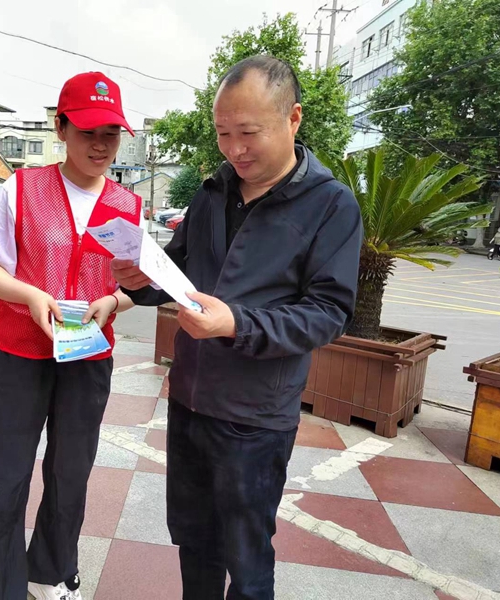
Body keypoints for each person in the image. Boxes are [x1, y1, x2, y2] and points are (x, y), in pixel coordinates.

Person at [113, 55, 363, 600]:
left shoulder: (330, 205)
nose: (235, 149)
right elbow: (176, 276)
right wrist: (137, 279)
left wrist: (238, 324)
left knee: (247, 560)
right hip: (190, 400)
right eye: (223, 133)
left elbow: (328, 313)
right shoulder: (213, 191)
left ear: (293, 119)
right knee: (195, 542)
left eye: (248, 133)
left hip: (255, 417)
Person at [0, 72, 142, 600]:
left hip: (88, 356)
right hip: (19, 351)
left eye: (111, 132)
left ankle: (55, 570)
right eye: (87, 131)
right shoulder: (23, 188)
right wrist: (31, 296)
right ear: (60, 128)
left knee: (71, 471)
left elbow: (135, 283)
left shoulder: (129, 205)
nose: (101, 144)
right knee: (1, 469)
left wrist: (116, 301)